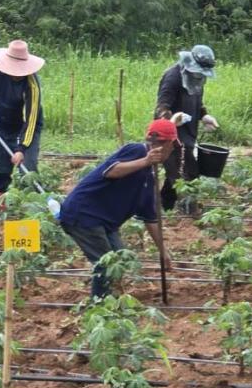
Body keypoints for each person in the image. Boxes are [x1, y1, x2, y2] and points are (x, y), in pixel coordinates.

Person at [57, 119, 177, 299]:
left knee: (120, 260)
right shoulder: (137, 151)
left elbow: (151, 219)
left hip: (105, 222)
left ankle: (111, 298)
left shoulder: (149, 178)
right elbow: (111, 171)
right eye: (172, 145)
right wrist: (145, 161)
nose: (173, 150)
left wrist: (163, 251)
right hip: (83, 215)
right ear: (168, 144)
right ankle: (100, 306)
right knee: (106, 264)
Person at [0, 39, 44, 203]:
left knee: (27, 168)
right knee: (1, 167)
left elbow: (31, 120)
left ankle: (33, 206)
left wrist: (21, 148)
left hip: (26, 127)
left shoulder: (31, 86)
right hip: (2, 123)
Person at [155, 44, 219, 212]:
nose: (200, 76)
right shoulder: (173, 77)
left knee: (174, 177)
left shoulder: (197, 78)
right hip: (170, 137)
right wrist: (173, 119)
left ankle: (163, 209)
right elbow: (161, 108)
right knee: (187, 176)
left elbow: (198, 103)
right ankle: (189, 214)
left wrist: (204, 116)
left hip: (188, 135)